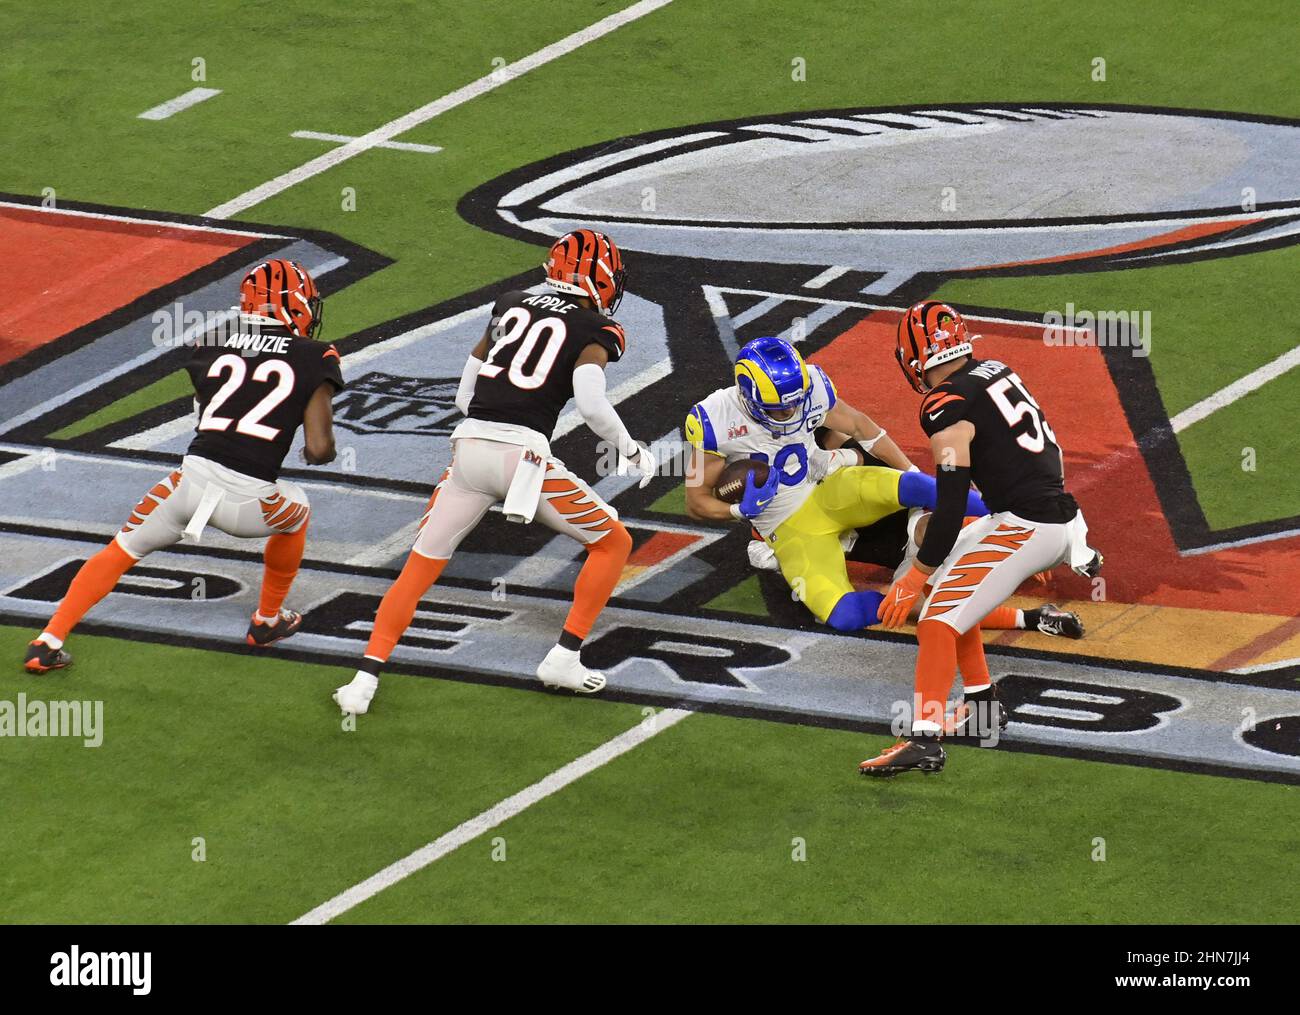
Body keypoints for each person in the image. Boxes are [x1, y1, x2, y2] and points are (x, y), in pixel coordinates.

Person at [333, 229, 654, 715]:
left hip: (468, 450)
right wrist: (630, 449)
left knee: (418, 570)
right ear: (604, 280)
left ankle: (363, 680)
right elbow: (591, 403)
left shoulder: (510, 303)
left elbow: (465, 393)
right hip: (522, 458)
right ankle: (565, 656)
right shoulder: (597, 328)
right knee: (613, 543)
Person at [24, 259, 341, 673]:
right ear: (295, 305)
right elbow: (319, 450)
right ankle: (267, 620)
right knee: (297, 513)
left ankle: (47, 640)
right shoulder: (317, 356)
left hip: (187, 483)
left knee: (120, 550)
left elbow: (215, 414)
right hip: (250, 500)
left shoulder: (208, 347)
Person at [859, 302, 1102, 777]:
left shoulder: (945, 402)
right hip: (1041, 515)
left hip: (1027, 524)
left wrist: (913, 577)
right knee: (948, 591)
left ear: (915, 359)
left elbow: (951, 505)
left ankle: (923, 740)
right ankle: (980, 707)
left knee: (934, 621)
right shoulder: (995, 371)